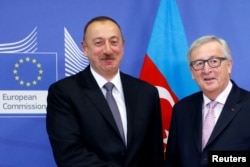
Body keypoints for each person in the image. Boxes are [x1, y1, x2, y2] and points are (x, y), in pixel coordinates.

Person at [46, 16, 164, 167]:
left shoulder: (147, 93)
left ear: (123, 45)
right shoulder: (63, 92)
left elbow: (154, 155)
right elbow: (69, 155)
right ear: (85, 48)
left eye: (114, 42)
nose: (108, 50)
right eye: (99, 43)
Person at [164, 35, 250, 167]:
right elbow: (173, 161)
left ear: (229, 66)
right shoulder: (182, 109)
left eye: (214, 61)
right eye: (199, 64)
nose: (206, 70)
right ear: (192, 73)